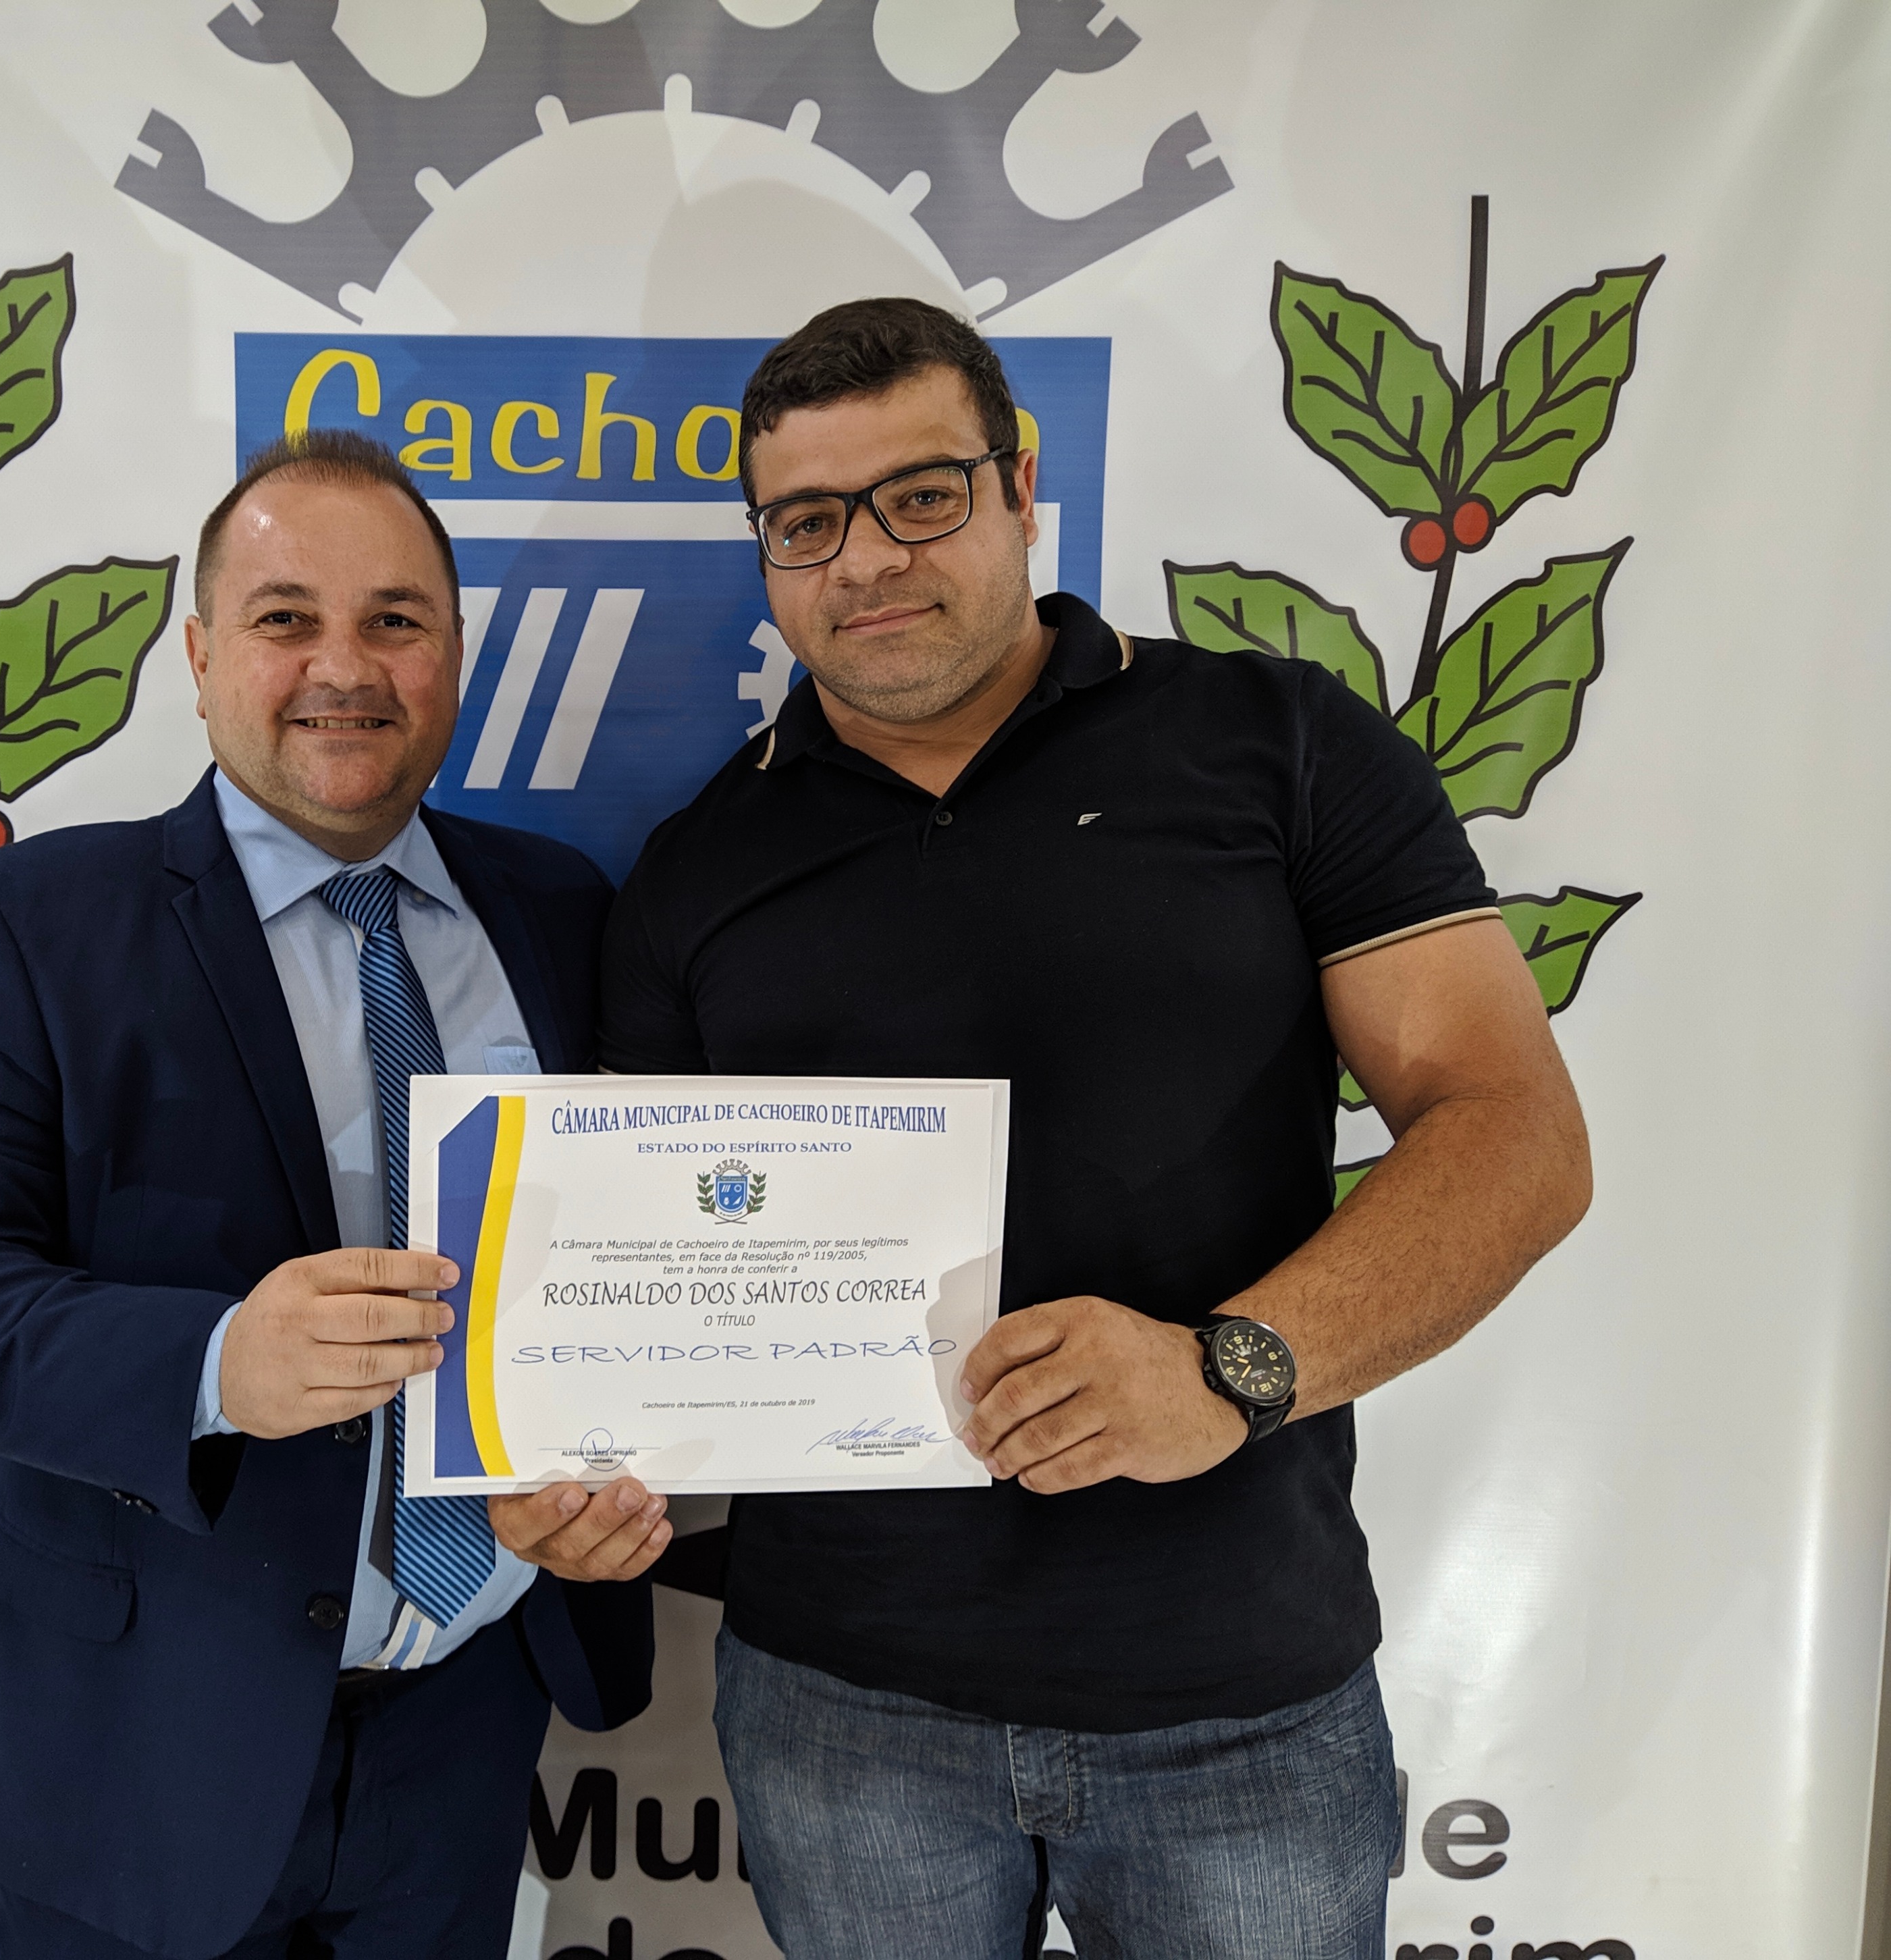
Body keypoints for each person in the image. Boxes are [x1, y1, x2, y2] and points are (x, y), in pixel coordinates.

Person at [603, 298, 1593, 1959]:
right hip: (838, 1707)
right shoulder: (693, 868)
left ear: (1018, 487)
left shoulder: (1276, 742)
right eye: (806, 521)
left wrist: (1228, 1372)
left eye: (921, 496)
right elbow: (641, 1282)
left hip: (1240, 1703)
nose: (866, 559)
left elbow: (1511, 1131)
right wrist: (577, 1468)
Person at [0, 430, 664, 1960]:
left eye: (395, 621)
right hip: (135, 1741)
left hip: (463, 1729)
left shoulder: (564, 912)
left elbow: (626, 1265)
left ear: (454, 656)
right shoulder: (23, 925)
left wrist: (606, 1474)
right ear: (202, 655)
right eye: (287, 618)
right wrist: (219, 1361)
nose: (342, 668)